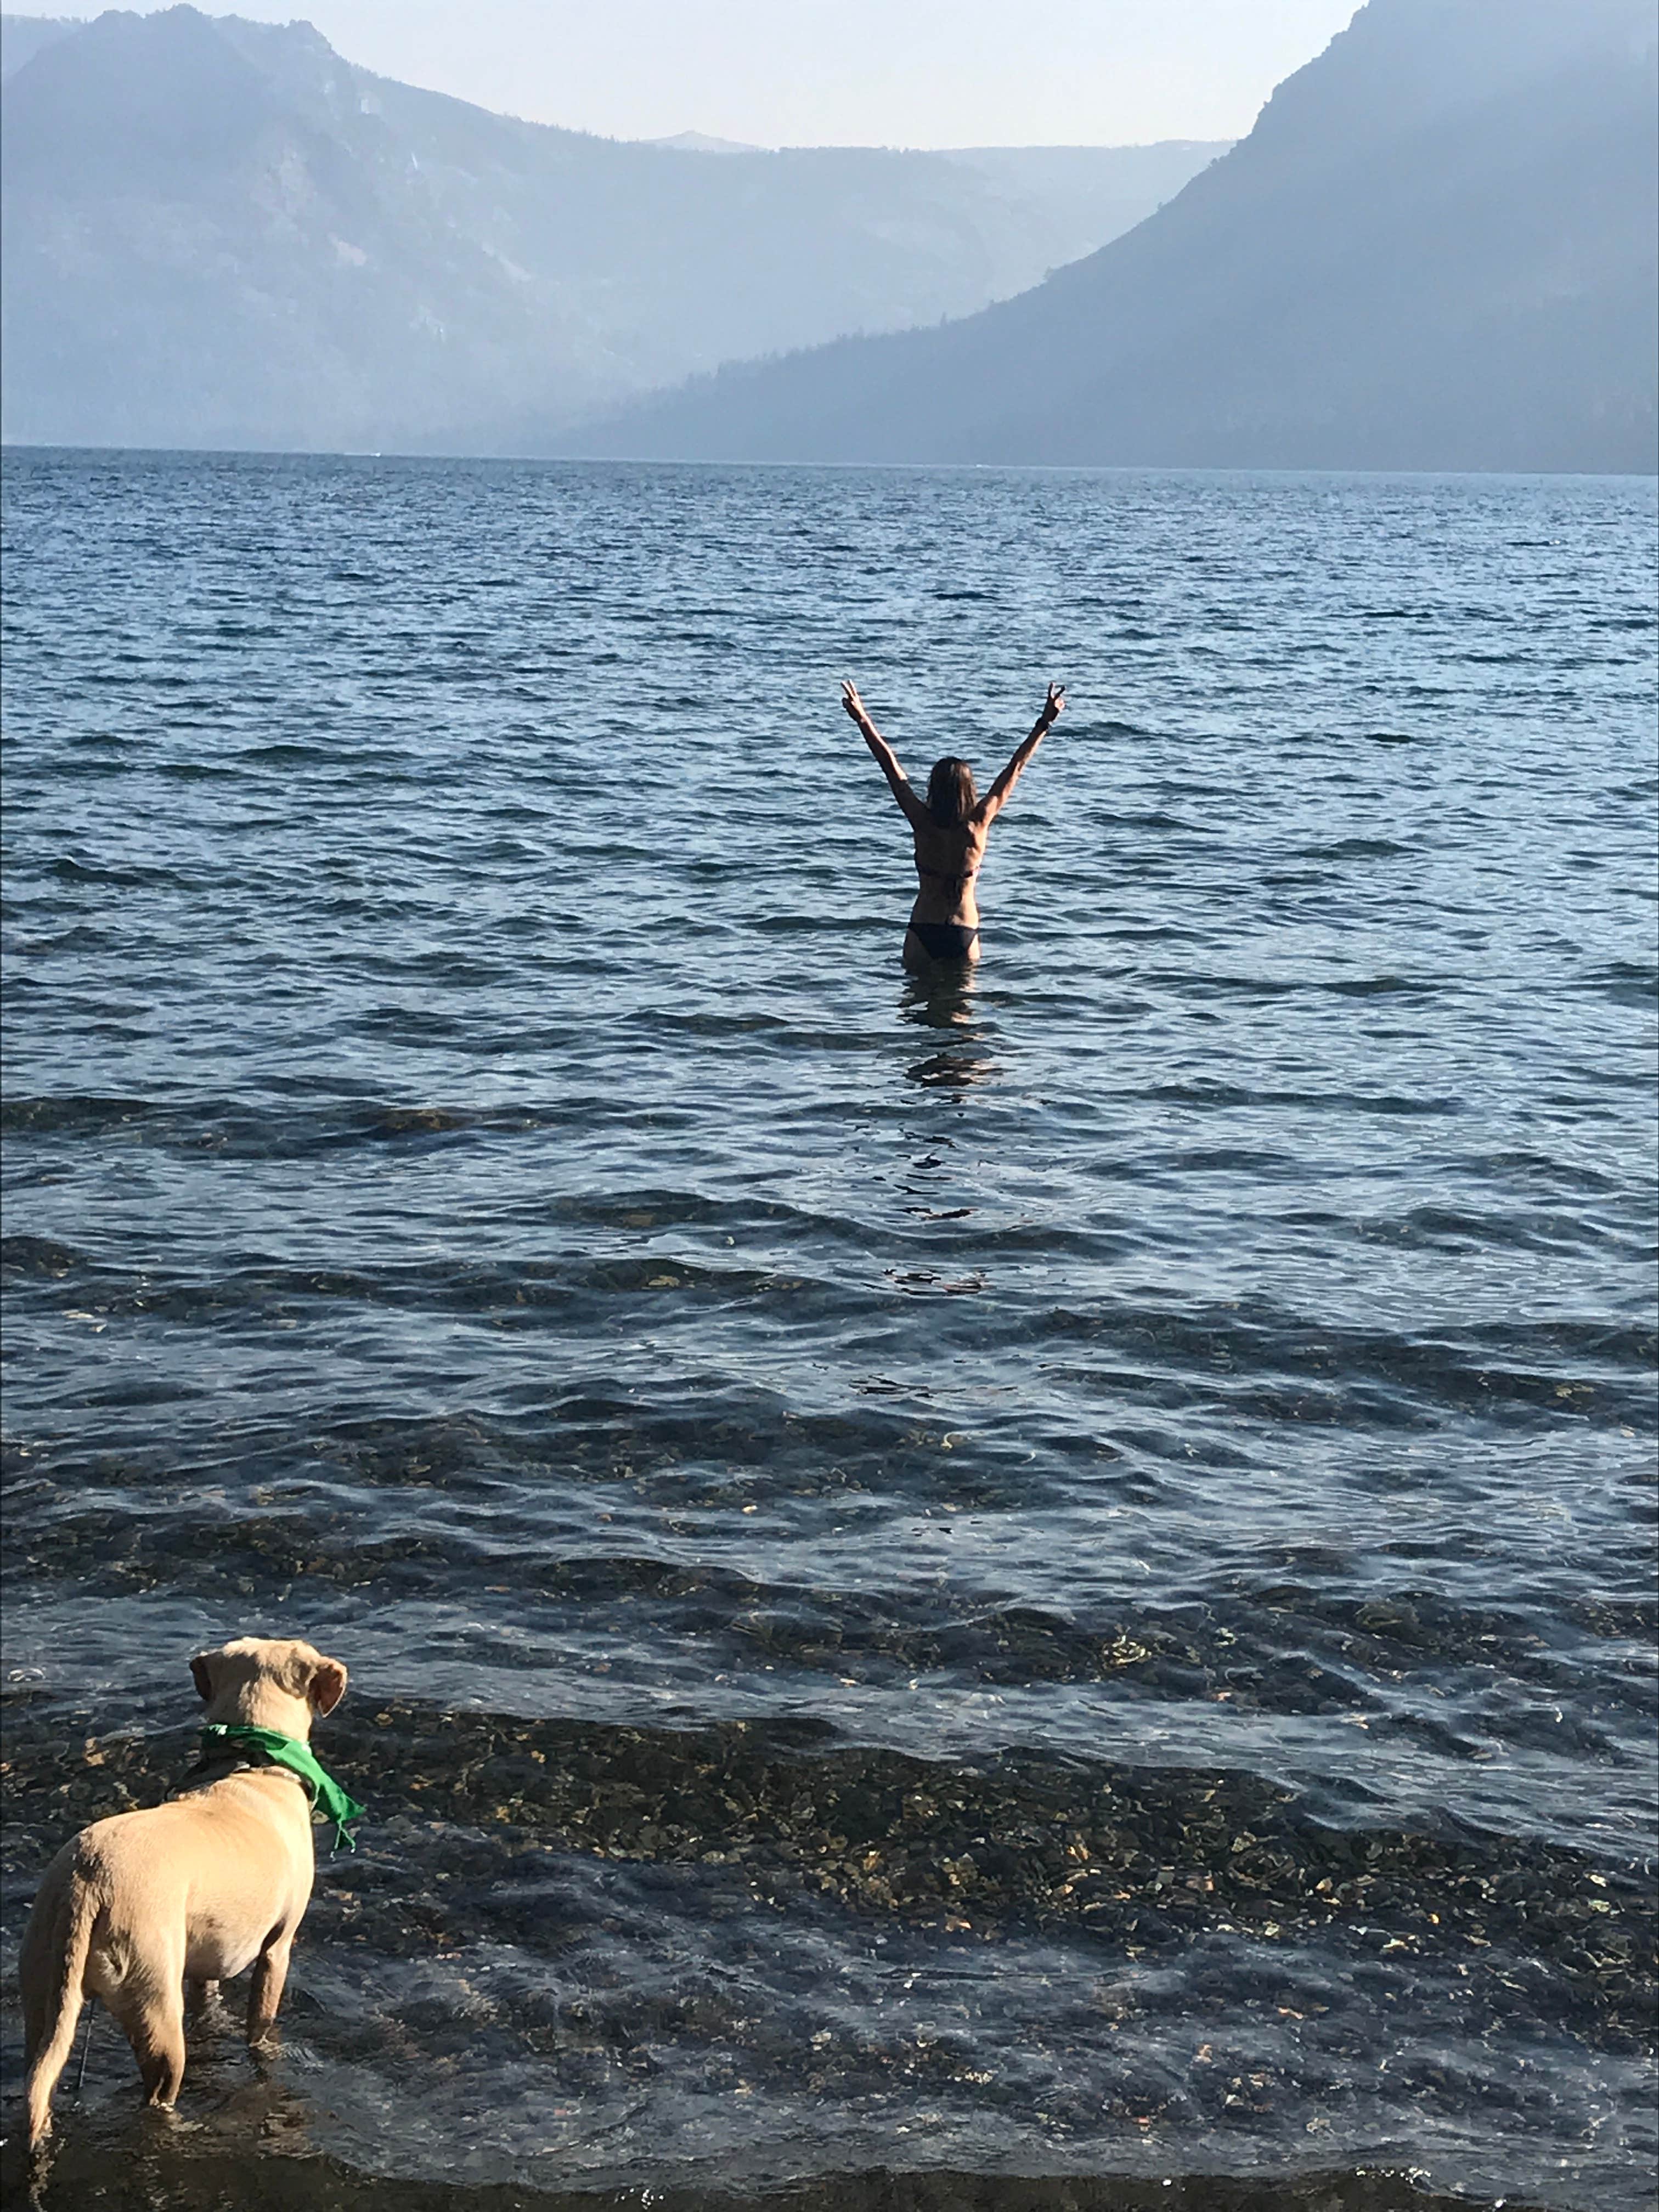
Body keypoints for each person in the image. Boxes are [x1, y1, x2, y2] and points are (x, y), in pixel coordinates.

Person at [840, 677, 1064, 969]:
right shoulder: (979, 823)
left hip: (923, 928)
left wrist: (862, 719)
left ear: (933, 788)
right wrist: (1044, 723)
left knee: (915, 997)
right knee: (963, 998)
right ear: (969, 790)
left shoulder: (922, 822)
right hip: (963, 932)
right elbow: (1015, 768)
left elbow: (890, 767)